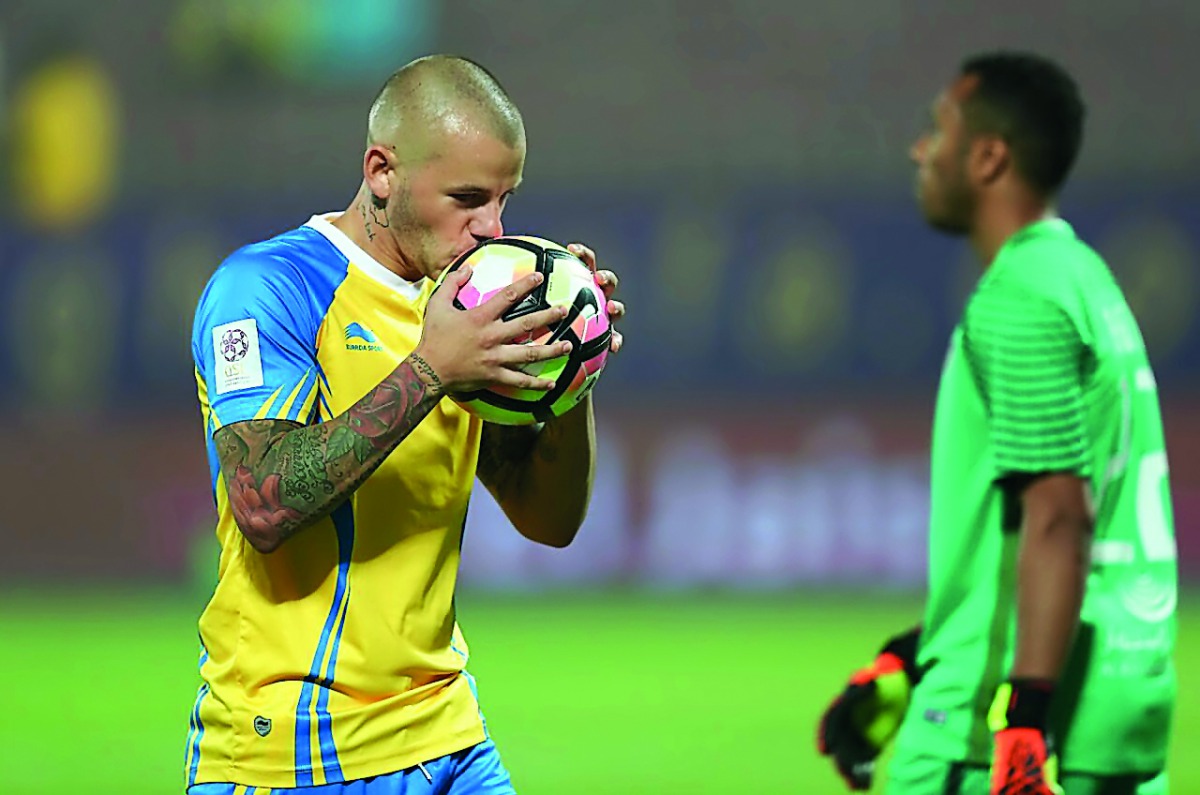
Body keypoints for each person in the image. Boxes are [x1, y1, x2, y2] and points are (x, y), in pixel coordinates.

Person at [184, 54, 625, 794]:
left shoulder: (463, 305)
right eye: (467, 198)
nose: (491, 229)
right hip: (297, 755)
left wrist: (568, 373)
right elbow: (262, 502)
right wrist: (430, 371)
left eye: (504, 199)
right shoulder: (268, 289)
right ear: (382, 172)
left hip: (448, 731)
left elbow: (548, 520)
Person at [817, 52, 1176, 794]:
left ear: (988, 156)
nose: (921, 149)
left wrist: (1023, 723)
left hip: (993, 742)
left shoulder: (1020, 297)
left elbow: (1058, 518)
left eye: (937, 129)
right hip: (1120, 707)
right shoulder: (1088, 283)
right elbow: (1043, 537)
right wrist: (914, 659)